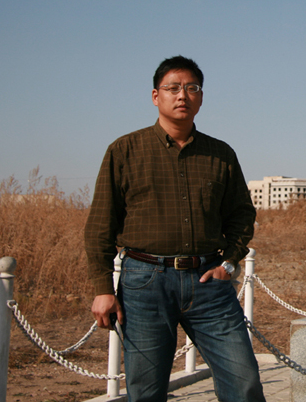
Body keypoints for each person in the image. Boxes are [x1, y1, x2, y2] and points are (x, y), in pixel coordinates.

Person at [84, 55, 265, 402]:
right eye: (173, 88)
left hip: (209, 282)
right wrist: (103, 288)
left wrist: (229, 263)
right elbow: (100, 226)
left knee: (244, 382)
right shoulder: (125, 150)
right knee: (147, 392)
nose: (183, 95)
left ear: (201, 97)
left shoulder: (220, 154)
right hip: (145, 283)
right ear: (156, 96)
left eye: (192, 88)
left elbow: (242, 216)